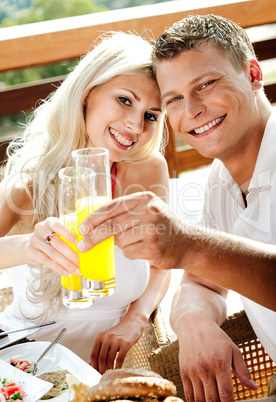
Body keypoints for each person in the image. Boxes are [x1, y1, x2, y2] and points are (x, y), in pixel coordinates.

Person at [75, 14, 276, 401]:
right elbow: (202, 281)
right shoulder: (221, 180)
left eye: (206, 84)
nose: (193, 110)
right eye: (174, 100)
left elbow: (201, 256)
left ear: (253, 74)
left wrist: (188, 245)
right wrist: (195, 319)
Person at [0, 31, 171, 372]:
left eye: (151, 115)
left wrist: (137, 317)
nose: (136, 125)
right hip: (24, 363)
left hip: (110, 370)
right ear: (88, 95)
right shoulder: (34, 177)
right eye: (125, 100)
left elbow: (164, 260)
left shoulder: (149, 170)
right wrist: (28, 246)